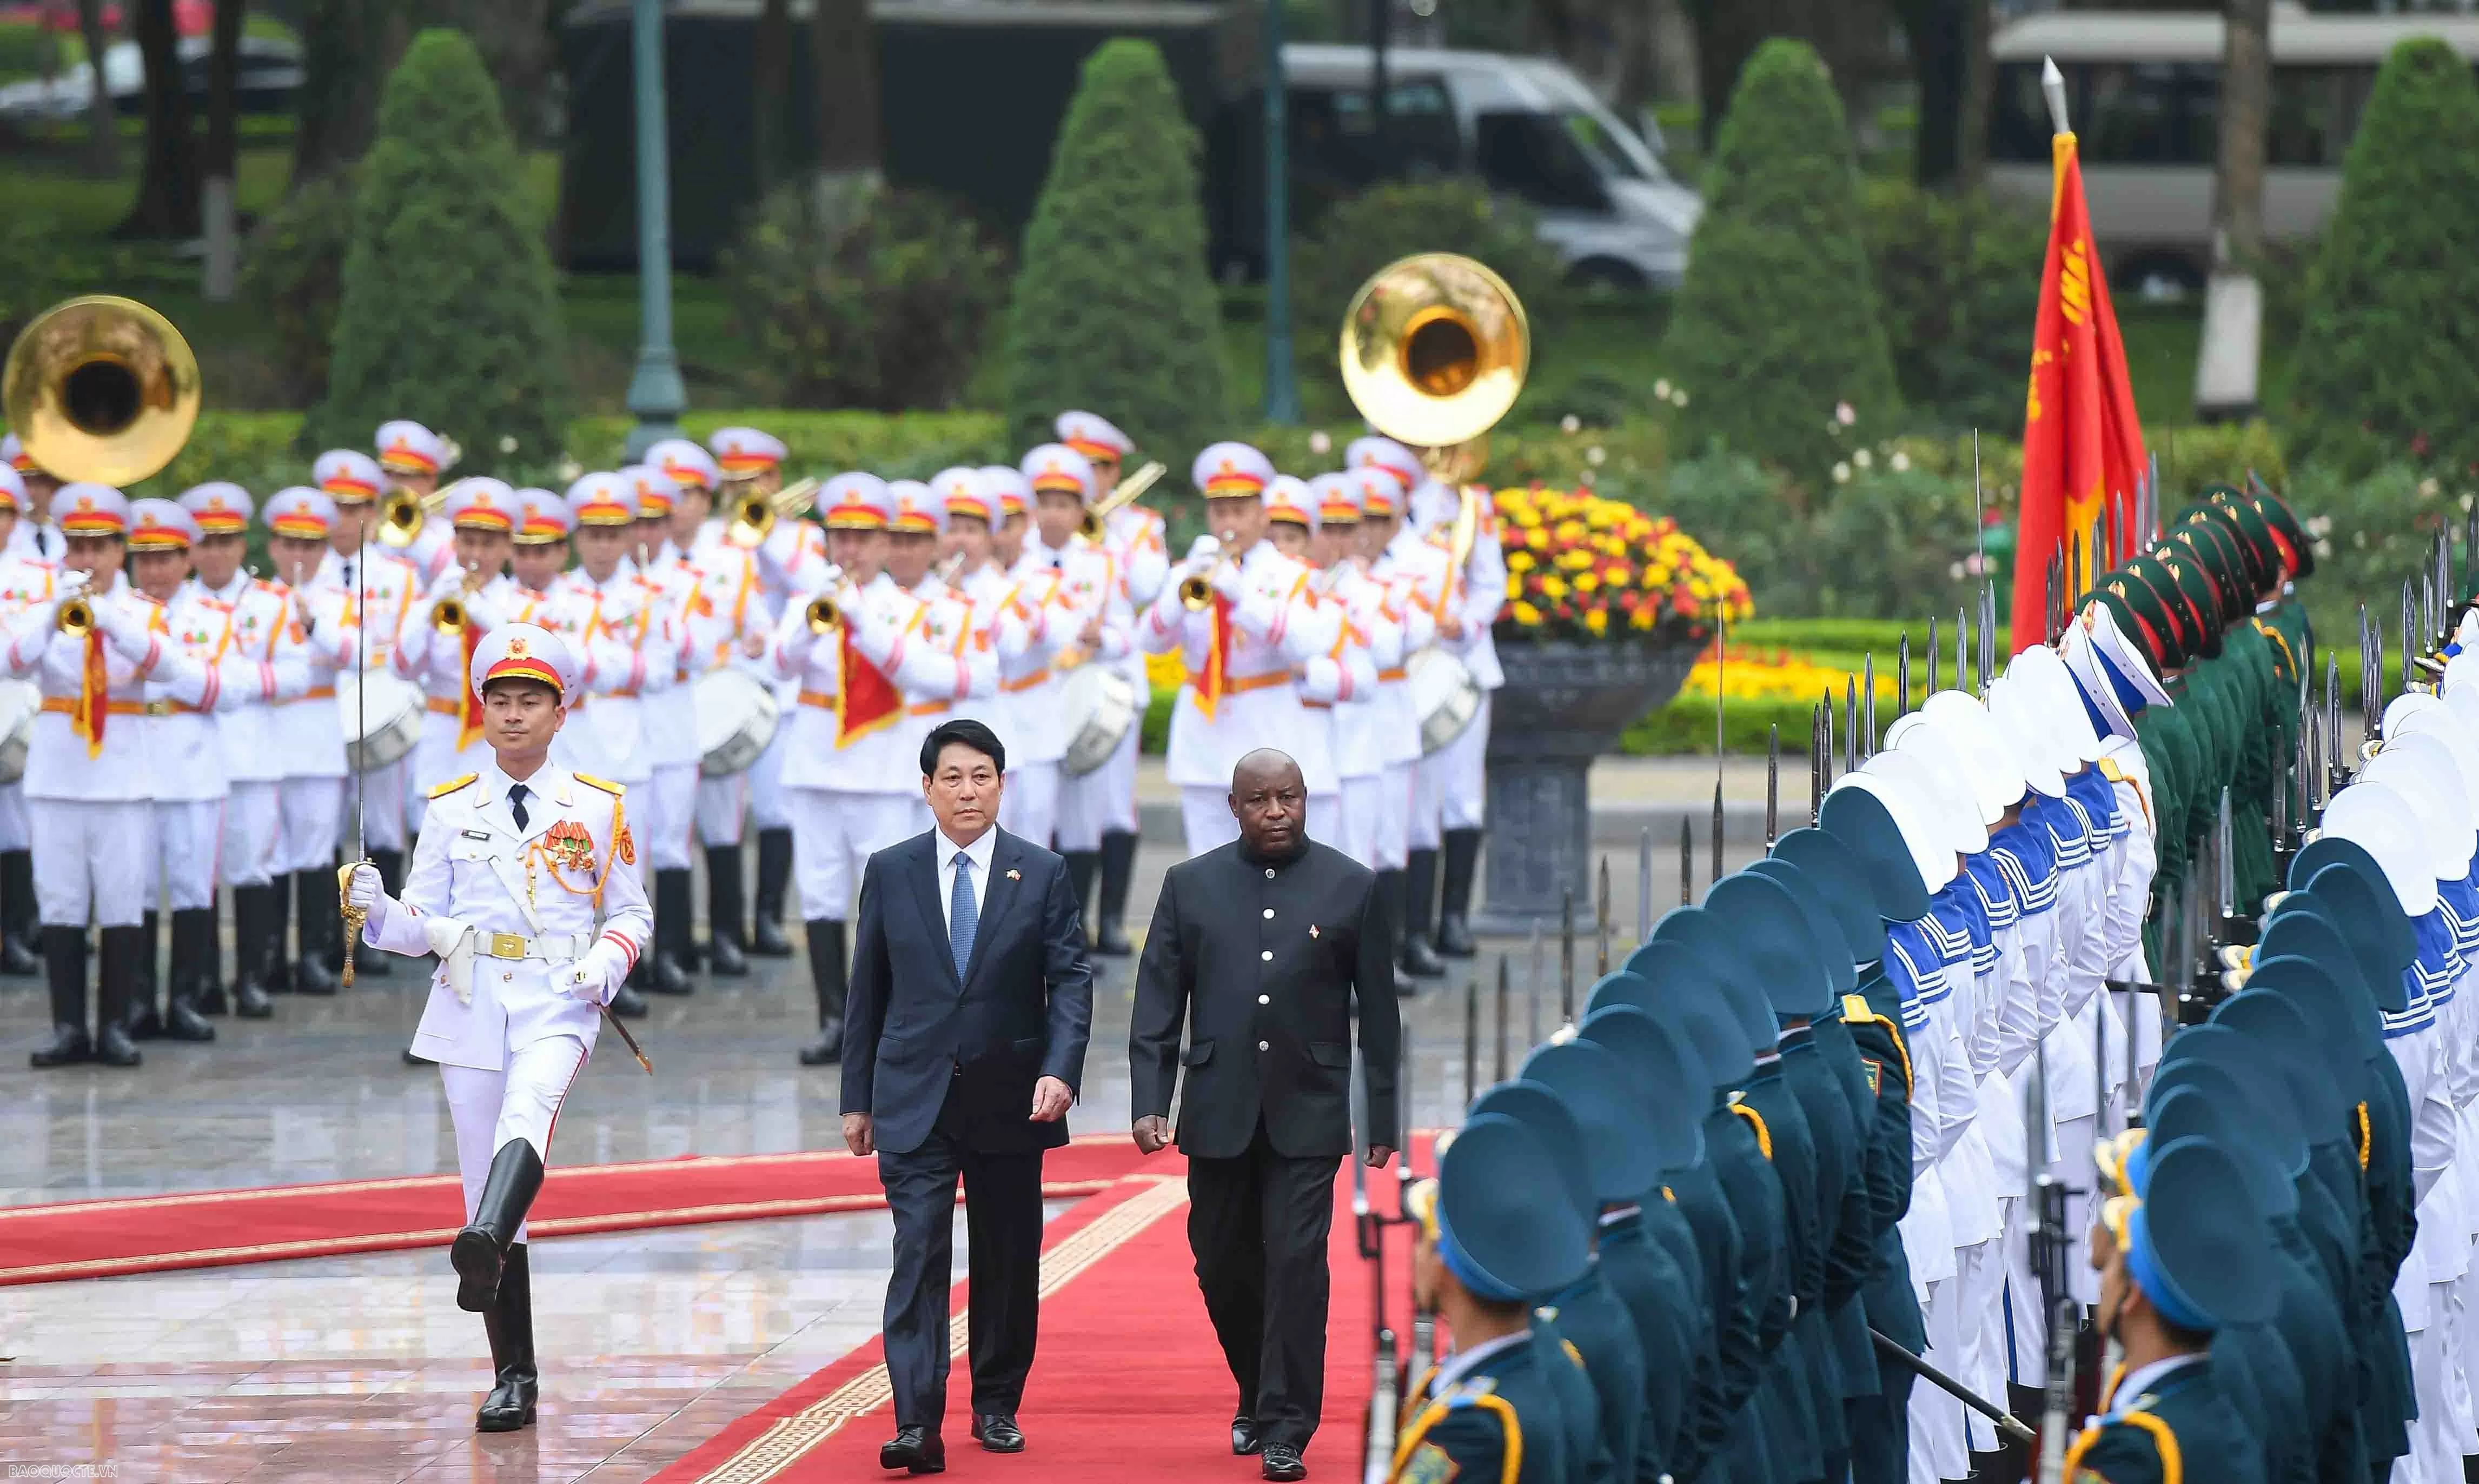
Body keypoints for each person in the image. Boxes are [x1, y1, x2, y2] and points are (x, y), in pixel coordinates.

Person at [346, 623, 651, 1433]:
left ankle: (483, 1236)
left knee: (531, 1115)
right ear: (481, 709)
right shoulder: (451, 808)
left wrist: (606, 965)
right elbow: (423, 925)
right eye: (500, 700)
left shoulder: (596, 803)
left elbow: (632, 912)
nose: (514, 715)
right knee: (480, 1171)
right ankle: (512, 1371)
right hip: (471, 996)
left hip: (559, 997)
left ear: (560, 712)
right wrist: (377, 911)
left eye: (531, 701)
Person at [1129, 747, 1401, 1482]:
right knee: (1220, 1263)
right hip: (1217, 1106)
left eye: (1289, 797)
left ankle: (1286, 1424)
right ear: (1234, 806)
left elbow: (1380, 1013)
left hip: (1308, 1107)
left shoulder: (1352, 886)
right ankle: (1254, 1387)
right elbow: (1158, 999)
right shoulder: (1191, 886)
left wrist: (1383, 1118)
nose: (1276, 811)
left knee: (1296, 1263)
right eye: (1260, 800)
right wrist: (1151, 1100)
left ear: (1307, 799)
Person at [839, 717, 1093, 1472]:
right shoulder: (891, 870)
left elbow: (1072, 978)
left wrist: (1062, 1067)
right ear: (927, 788)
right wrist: (858, 1097)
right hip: (912, 1090)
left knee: (1008, 1252)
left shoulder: (1040, 870)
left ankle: (996, 1400)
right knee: (917, 1250)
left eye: (981, 776)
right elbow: (868, 990)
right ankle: (917, 1418)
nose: (967, 790)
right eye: (952, 777)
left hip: (1013, 1092)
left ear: (1001, 785)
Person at [8, 485, 242, 1067]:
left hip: (124, 776)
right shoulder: (42, 608)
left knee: (119, 902)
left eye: (100, 547)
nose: (87, 558)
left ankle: (115, 1026)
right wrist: (50, 614)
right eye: (77, 545)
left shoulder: (143, 612)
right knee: (61, 903)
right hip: (57, 774)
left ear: (120, 552)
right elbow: (9, 660)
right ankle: (68, 1029)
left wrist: (110, 619)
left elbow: (170, 668)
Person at [1137, 445, 1343, 858]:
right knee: (1206, 859)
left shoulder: (1292, 574)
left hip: (1267, 722)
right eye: (1220, 511)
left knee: (1273, 856)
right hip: (1203, 731)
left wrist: (1243, 598)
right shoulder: (1190, 569)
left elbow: (1310, 643)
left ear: (1262, 514)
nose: (1228, 522)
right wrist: (1180, 593)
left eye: (1239, 510)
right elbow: (1151, 640)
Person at [1394, 1112, 1584, 1484]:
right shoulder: (1557, 1364)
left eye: (1423, 1240)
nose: (1415, 1256)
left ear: (1444, 1266)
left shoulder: (1476, 1430)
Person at [1054, 411, 1166, 957]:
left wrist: (1111, 533)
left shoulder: (1140, 526)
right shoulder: (1052, 522)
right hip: (1063, 678)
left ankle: (1114, 921)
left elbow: (1148, 585)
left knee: (1115, 806)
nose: (1085, 480)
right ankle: (1069, 927)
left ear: (1111, 472)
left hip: (1116, 682)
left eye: (1094, 470)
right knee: (1065, 807)